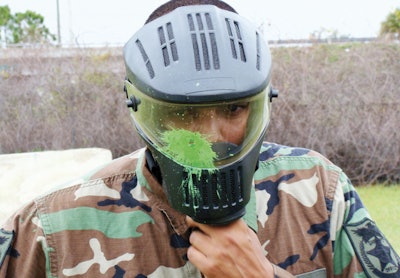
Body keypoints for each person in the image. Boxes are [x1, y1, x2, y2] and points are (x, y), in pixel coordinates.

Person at [1, 0, 399, 277]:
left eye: (233, 110)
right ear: (143, 109)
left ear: (262, 104)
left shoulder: (318, 193)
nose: (211, 138)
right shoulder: (54, 228)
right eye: (184, 114)